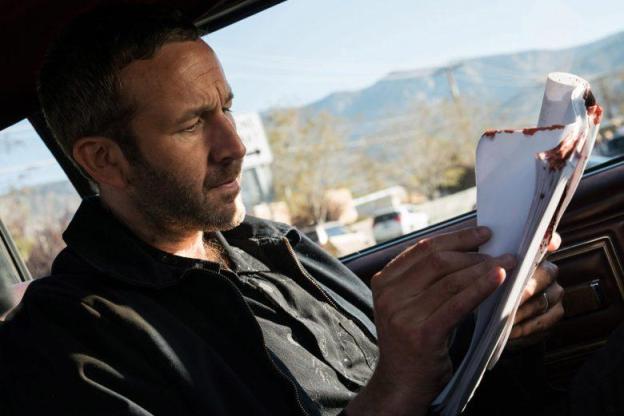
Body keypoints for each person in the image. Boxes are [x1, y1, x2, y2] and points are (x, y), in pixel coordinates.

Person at [0, 4, 564, 416]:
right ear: (105, 160)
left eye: (226, 110)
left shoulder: (274, 244)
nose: (235, 146)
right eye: (192, 124)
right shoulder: (66, 345)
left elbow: (412, 373)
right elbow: (396, 384)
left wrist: (488, 329)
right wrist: (395, 390)